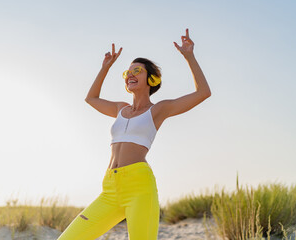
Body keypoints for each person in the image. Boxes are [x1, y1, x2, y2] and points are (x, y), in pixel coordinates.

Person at [57, 28, 211, 240]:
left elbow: (203, 93)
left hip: (139, 188)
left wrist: (190, 57)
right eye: (128, 72)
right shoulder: (120, 109)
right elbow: (91, 98)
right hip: (110, 188)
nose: (130, 74)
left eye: (137, 71)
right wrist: (106, 67)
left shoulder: (158, 110)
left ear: (152, 79)